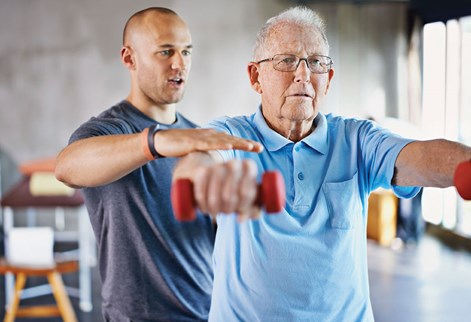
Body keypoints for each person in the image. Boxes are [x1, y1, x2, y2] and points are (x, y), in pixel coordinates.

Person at [173, 6, 471, 321]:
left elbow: (416, 156)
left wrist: (465, 165)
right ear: (255, 76)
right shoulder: (234, 134)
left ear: (327, 79)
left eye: (315, 62)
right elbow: (200, 158)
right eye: (286, 60)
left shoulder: (356, 139)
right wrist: (202, 180)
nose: (303, 74)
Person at [54, 7, 261, 322]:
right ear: (129, 58)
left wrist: (231, 205)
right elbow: (67, 167)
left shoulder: (198, 138)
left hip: (208, 312)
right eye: (165, 51)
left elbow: (212, 234)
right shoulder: (107, 131)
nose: (179, 63)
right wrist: (154, 142)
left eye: (186, 51)